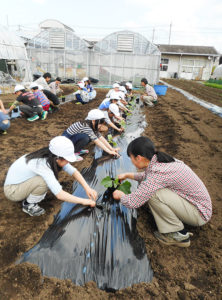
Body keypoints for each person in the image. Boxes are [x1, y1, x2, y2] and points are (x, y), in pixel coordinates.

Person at [113, 136, 212, 248]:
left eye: (131, 158)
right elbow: (147, 176)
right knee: (151, 189)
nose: (131, 161)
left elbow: (133, 202)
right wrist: (127, 175)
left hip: (199, 213)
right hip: (198, 205)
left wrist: (121, 195)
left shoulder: (158, 173)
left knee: (154, 194)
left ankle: (177, 234)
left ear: (139, 158)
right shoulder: (159, 160)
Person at [4, 136, 97, 217]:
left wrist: (88, 188)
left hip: (21, 183)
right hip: (12, 191)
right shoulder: (42, 164)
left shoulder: (50, 155)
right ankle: (28, 204)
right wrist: (84, 201)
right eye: (67, 159)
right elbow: (59, 194)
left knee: (45, 181)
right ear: (57, 158)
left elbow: (73, 171)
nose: (68, 162)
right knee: (43, 182)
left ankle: (29, 193)